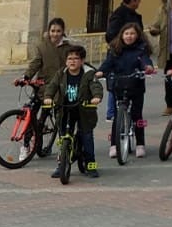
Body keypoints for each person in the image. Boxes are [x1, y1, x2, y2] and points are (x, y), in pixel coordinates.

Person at [43, 44, 104, 179]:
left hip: (84, 109)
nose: (72, 61)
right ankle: (61, 165)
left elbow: (95, 86)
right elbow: (52, 86)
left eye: (76, 58)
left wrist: (96, 97)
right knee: (63, 136)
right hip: (65, 109)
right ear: (66, 61)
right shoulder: (61, 73)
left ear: (82, 61)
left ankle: (91, 165)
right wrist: (48, 97)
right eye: (70, 58)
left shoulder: (89, 73)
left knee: (86, 137)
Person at [99, 24, 154, 158]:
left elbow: (145, 61)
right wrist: (101, 71)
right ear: (121, 35)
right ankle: (113, 144)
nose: (129, 36)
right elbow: (108, 63)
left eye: (132, 34)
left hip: (136, 85)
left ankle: (140, 143)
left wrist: (148, 68)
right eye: (126, 33)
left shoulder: (141, 49)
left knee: (137, 115)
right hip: (119, 84)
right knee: (118, 115)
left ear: (137, 35)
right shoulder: (115, 49)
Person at [25, 17, 74, 86]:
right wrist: (26, 77)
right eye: (53, 31)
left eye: (58, 31)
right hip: (45, 87)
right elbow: (35, 64)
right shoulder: (42, 47)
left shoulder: (69, 48)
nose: (55, 34)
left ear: (63, 31)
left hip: (63, 87)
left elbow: (79, 63)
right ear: (49, 31)